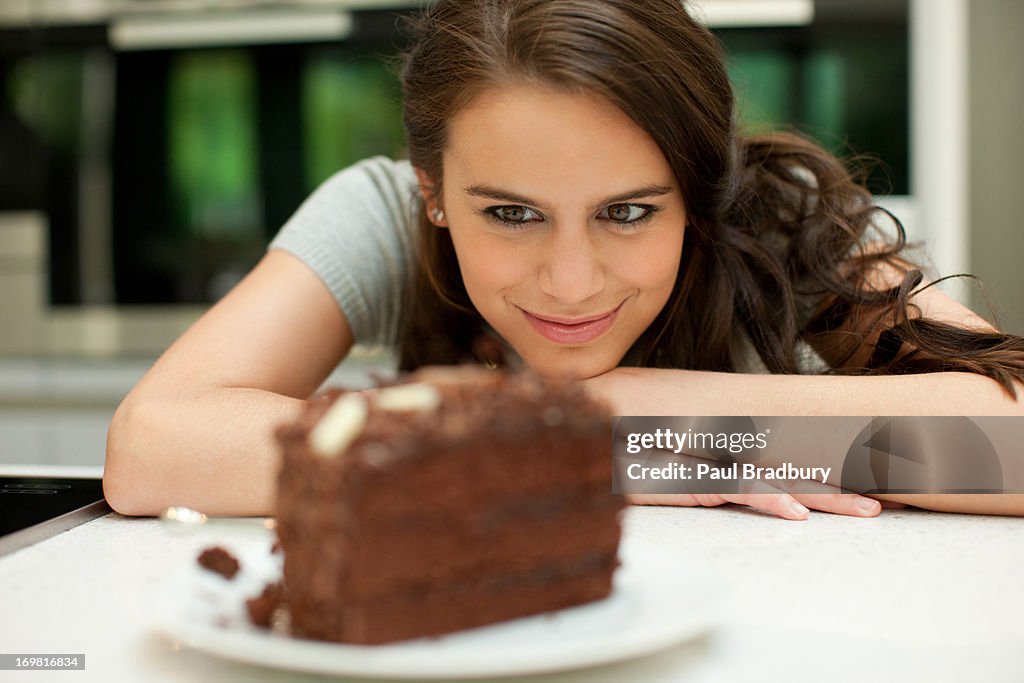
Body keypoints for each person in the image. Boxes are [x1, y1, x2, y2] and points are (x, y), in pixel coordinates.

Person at [103, 0, 1024, 519]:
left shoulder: (780, 214)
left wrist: (665, 418)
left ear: (702, 187)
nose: (572, 281)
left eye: (628, 211)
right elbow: (153, 448)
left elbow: (1013, 440)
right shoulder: (383, 214)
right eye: (510, 213)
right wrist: (549, 436)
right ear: (432, 190)